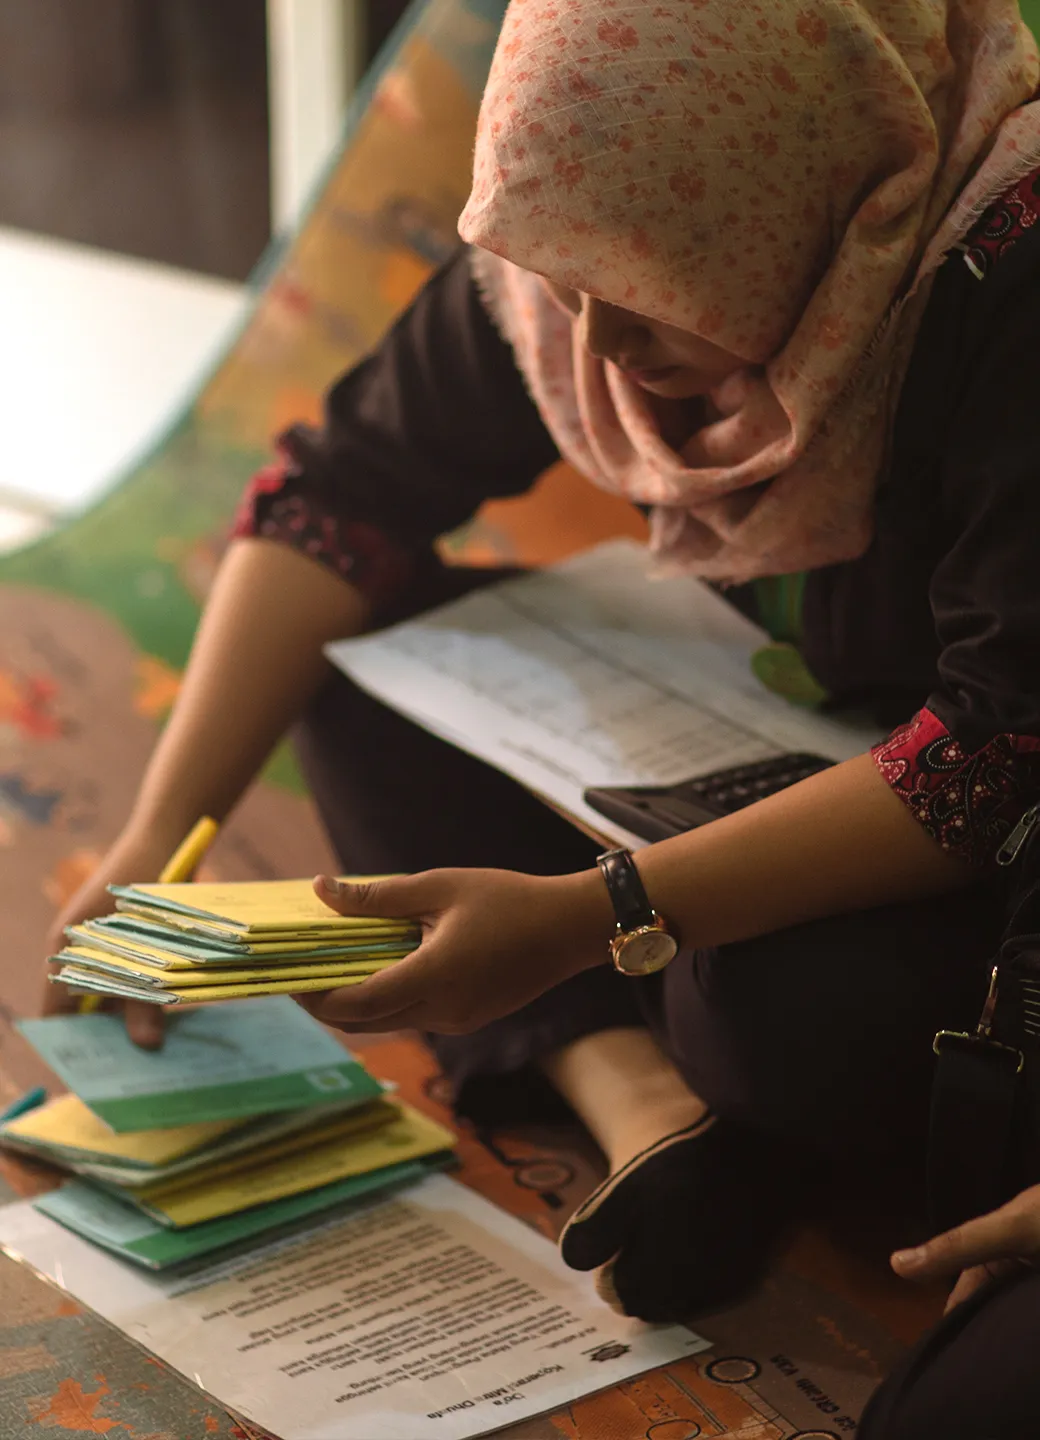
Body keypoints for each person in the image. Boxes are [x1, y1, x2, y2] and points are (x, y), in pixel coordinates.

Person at [44, 0, 1040, 1429]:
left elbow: (996, 758)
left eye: (650, 277)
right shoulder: (575, 256)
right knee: (353, 656)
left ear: (822, 182)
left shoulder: (1003, 282)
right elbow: (338, 499)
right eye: (561, 282)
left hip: (957, 837)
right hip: (721, 751)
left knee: (790, 1012)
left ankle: (687, 1057)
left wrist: (597, 909)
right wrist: (155, 832)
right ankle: (643, 1103)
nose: (595, 340)